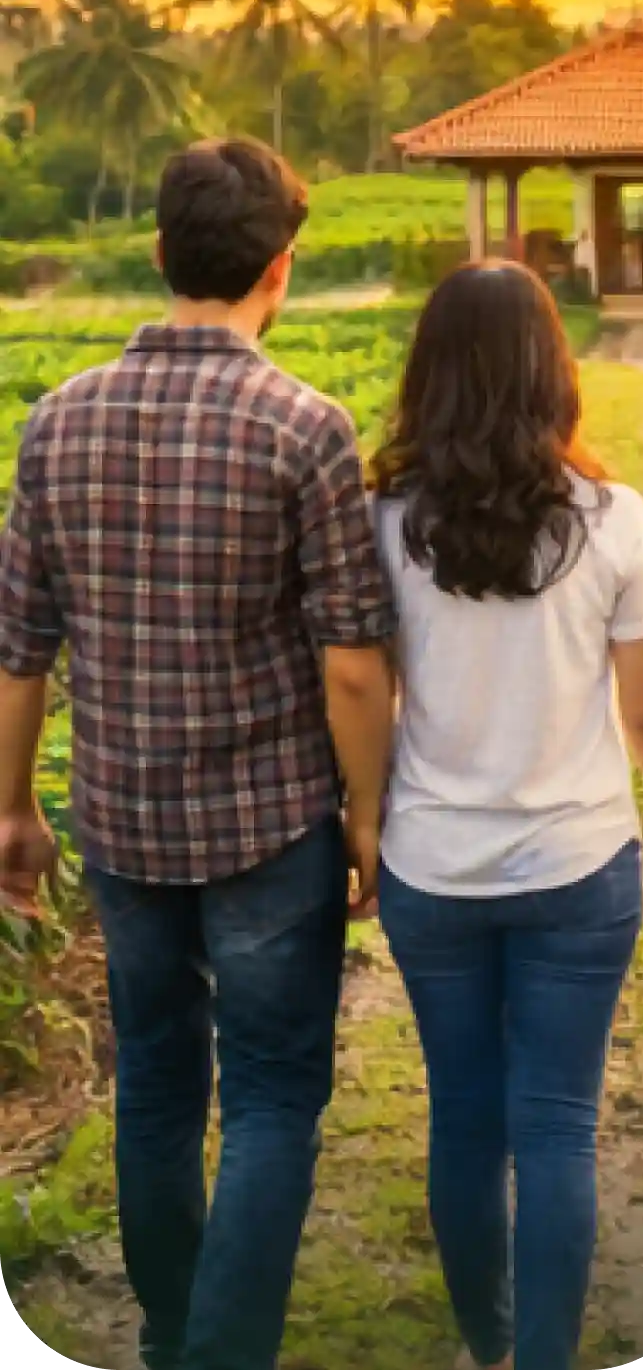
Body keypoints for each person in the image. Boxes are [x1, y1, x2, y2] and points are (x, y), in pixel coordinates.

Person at [0, 138, 395, 1370]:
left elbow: (20, 646)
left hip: (121, 822)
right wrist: (369, 818)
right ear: (283, 265)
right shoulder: (306, 427)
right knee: (274, 1093)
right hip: (272, 827)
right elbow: (351, 660)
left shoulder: (55, 421)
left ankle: (176, 1332)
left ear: (160, 252)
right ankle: (222, 1350)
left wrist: (13, 807)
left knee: (157, 1082)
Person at [370, 260, 643, 1370]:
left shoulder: (384, 522)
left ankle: (489, 1344)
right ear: (553, 370)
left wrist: (366, 826)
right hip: (578, 867)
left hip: (434, 867)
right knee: (557, 1124)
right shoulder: (610, 520)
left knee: (465, 1120)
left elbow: (361, 688)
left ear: (430, 376)